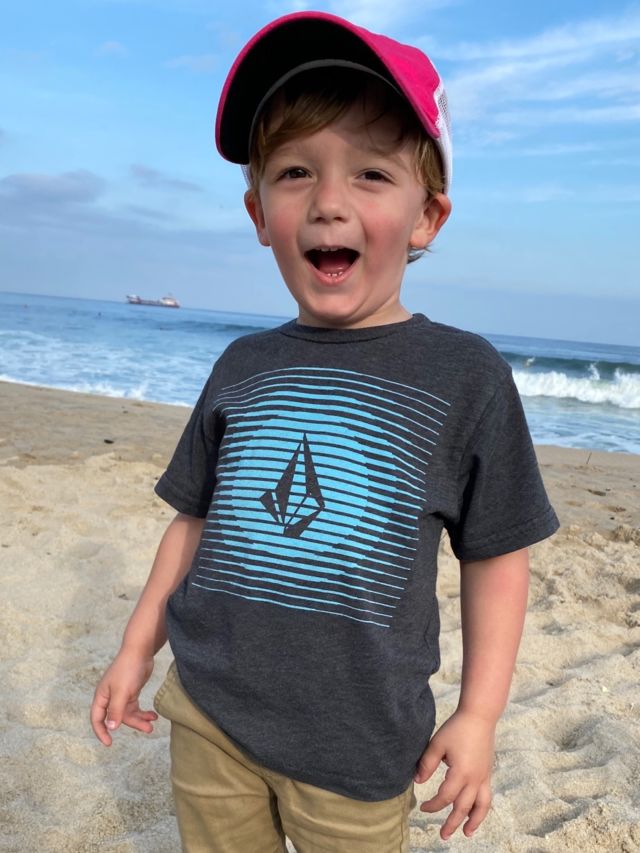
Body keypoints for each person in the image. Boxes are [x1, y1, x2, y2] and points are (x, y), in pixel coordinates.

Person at [91, 11, 559, 852]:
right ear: (258, 211)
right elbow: (193, 522)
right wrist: (136, 648)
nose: (329, 202)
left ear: (427, 217)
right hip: (210, 714)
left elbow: (497, 554)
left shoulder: (466, 375)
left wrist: (480, 713)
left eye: (371, 173)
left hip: (359, 747)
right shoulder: (243, 364)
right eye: (295, 171)